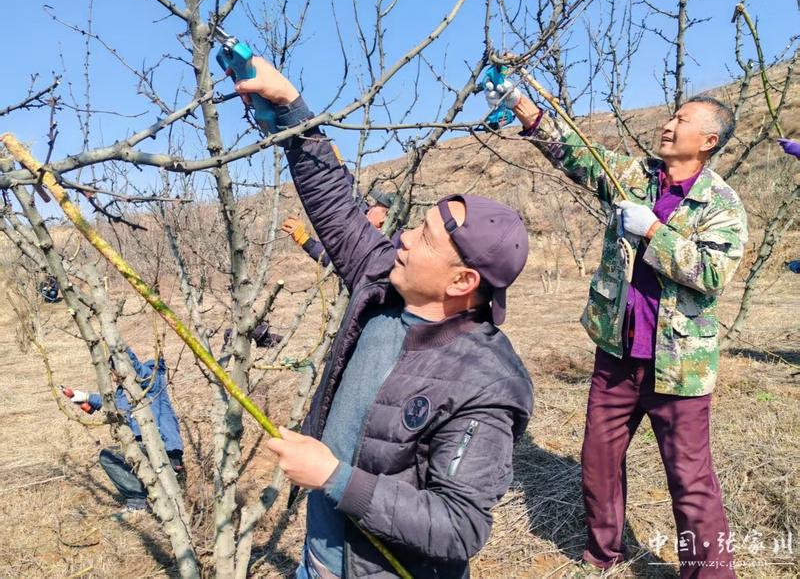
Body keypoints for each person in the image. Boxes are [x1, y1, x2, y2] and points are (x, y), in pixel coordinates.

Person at [232, 58, 534, 579]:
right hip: (318, 560)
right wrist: (289, 108)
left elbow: (459, 526)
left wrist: (334, 477)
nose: (404, 239)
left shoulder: (486, 383)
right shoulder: (382, 283)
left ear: (462, 282)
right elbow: (337, 208)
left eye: (424, 239)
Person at [493, 78, 747, 577]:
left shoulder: (721, 204)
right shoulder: (636, 176)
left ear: (709, 141)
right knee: (599, 461)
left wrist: (652, 230)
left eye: (682, 121)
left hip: (678, 366)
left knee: (690, 481)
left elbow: (712, 274)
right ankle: (603, 553)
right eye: (672, 116)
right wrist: (523, 108)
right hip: (617, 354)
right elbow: (579, 156)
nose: (669, 124)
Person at [63, 348, 184, 519]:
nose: (114, 376)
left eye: (115, 370)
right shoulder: (125, 391)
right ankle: (141, 499)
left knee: (114, 456)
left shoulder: (152, 379)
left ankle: (138, 502)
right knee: (108, 456)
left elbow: (137, 369)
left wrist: (116, 346)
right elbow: (111, 403)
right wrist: (84, 397)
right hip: (144, 446)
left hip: (163, 447)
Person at [283, 190, 403, 267]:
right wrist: (340, 167)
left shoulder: (384, 247)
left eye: (376, 205)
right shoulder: (379, 232)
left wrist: (305, 240)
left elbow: (338, 260)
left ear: (385, 217)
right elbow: (355, 195)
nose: (370, 207)